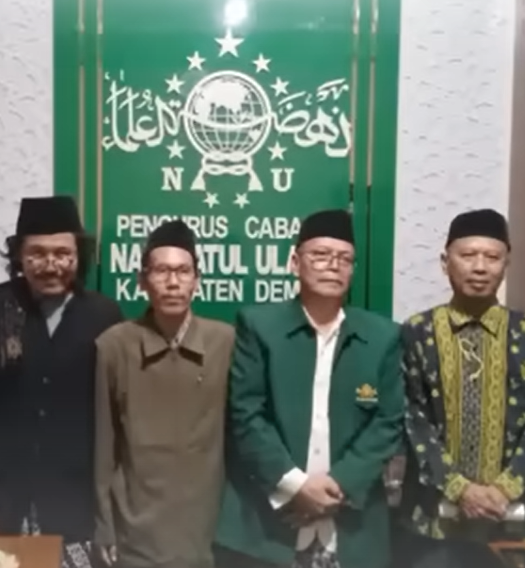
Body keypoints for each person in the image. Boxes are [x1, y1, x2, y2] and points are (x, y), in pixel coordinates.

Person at [214, 209, 404, 568]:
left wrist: (337, 486)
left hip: (352, 525)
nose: (333, 266)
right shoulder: (259, 326)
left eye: (344, 259)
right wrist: (295, 486)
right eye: (320, 255)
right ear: (294, 262)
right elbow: (246, 413)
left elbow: (388, 422)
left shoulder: (383, 336)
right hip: (266, 526)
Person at [0, 196, 122, 568]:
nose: (51, 265)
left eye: (63, 254)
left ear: (78, 255)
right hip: (1, 505)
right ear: (19, 256)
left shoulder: (104, 316)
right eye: (37, 254)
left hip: (77, 507)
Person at [93, 220, 234, 568]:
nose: (173, 283)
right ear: (142, 281)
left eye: (183, 272)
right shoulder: (114, 346)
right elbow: (103, 446)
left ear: (197, 280)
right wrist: (104, 524)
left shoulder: (225, 343)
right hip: (136, 533)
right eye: (161, 271)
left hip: (207, 531)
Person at [392, 209, 522, 568]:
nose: (480, 267)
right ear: (444, 262)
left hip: (513, 518)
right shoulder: (417, 332)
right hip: (431, 520)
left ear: (506, 263)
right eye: (468, 255)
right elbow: (410, 416)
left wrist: (506, 487)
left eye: (492, 257)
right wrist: (458, 488)